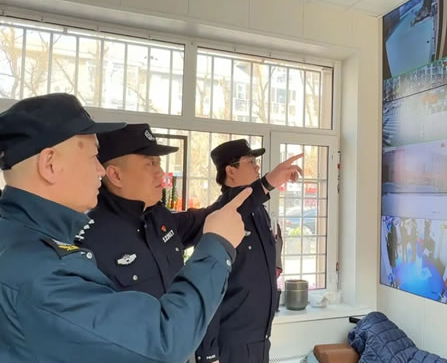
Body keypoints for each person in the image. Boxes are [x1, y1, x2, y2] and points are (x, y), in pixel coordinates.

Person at [0, 93, 251, 362]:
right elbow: (161, 340)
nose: (100, 170)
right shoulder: (39, 271)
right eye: (94, 157)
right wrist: (218, 247)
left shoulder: (23, 238)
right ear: (50, 164)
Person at [77, 124, 302, 361]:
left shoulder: (160, 219)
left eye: (159, 163)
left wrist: (267, 183)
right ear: (115, 175)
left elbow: (217, 215)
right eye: (150, 164)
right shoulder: (88, 240)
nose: (160, 173)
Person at [198, 139, 302, 363]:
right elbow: (209, 287)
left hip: (260, 339)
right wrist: (208, 353)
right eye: (251, 162)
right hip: (231, 343)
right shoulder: (222, 215)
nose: (257, 166)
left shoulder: (260, 213)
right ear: (230, 171)